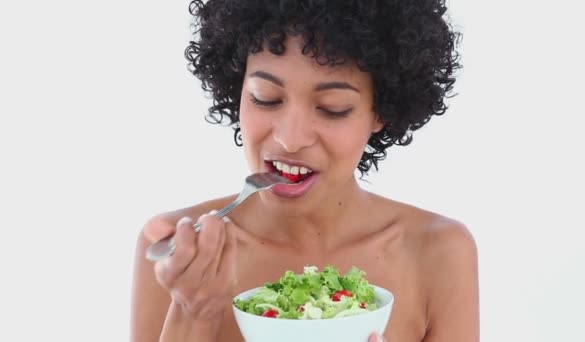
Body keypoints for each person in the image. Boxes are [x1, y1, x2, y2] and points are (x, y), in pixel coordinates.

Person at [131, 0, 478, 341]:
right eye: (265, 97)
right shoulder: (176, 254)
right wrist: (192, 312)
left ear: (379, 112)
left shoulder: (439, 253)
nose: (290, 139)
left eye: (333, 108)